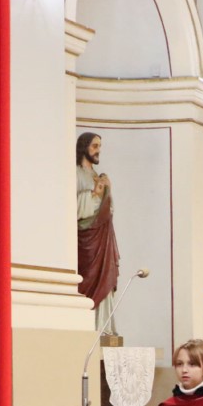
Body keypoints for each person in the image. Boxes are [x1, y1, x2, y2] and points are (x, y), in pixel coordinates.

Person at [75, 132, 121, 331]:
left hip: (103, 238)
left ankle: (105, 329)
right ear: (84, 147)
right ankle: (89, 328)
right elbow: (74, 209)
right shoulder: (75, 174)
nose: (98, 150)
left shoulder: (98, 175)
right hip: (86, 241)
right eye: (94, 146)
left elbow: (109, 209)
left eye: (99, 146)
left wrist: (107, 192)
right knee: (90, 279)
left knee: (106, 279)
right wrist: (94, 194)